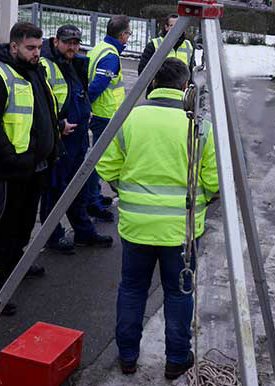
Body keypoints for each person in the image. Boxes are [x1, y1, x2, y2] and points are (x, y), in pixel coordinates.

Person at [96, 58, 219, 379]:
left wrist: (128, 189)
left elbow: (106, 166)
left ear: (151, 84)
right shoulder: (199, 126)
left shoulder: (129, 119)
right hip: (182, 230)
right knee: (178, 293)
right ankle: (176, 359)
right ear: (185, 88)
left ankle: (127, 357)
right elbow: (215, 181)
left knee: (132, 290)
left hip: (136, 226)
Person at [0, 22, 59, 315]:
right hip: (6, 170)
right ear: (14, 46)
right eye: (30, 48)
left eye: (38, 47)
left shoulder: (36, 72)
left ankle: (14, 266)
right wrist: (13, 159)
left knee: (22, 224)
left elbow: (44, 113)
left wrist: (53, 142)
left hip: (33, 167)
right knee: (0, 226)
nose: (37, 53)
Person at [39, 24, 113, 253]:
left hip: (77, 137)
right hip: (60, 140)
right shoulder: (45, 65)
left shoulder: (71, 63)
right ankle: (52, 236)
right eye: (68, 42)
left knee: (76, 188)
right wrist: (57, 126)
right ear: (56, 41)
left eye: (75, 43)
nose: (72, 47)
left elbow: (77, 92)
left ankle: (84, 232)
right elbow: (40, 104)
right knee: (55, 190)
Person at [86, 15, 132, 221]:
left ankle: (94, 196)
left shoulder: (100, 48)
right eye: (128, 33)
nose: (129, 37)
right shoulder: (111, 56)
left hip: (102, 114)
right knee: (97, 161)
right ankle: (92, 201)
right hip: (105, 116)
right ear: (121, 35)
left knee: (97, 158)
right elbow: (97, 86)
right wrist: (86, 106)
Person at [138, 13, 194, 80]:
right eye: (172, 26)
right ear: (166, 27)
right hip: (158, 89)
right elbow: (143, 70)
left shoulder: (188, 45)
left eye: (178, 26)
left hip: (180, 89)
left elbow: (191, 71)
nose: (176, 29)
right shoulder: (154, 45)